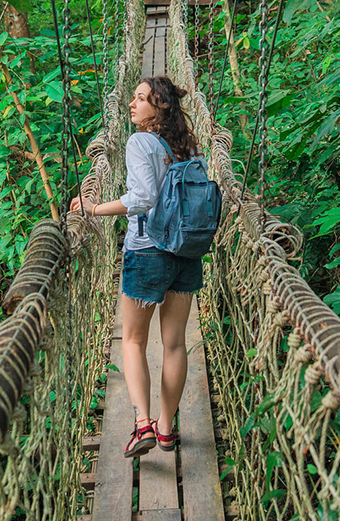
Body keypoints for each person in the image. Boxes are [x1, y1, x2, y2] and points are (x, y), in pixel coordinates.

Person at [69, 75, 202, 458]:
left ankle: (142, 424)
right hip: (186, 254)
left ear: (158, 107)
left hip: (147, 252)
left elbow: (142, 198)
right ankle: (165, 430)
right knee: (175, 343)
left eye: (140, 98)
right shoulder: (191, 149)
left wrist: (94, 209)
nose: (131, 104)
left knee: (133, 341)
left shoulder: (139, 141)